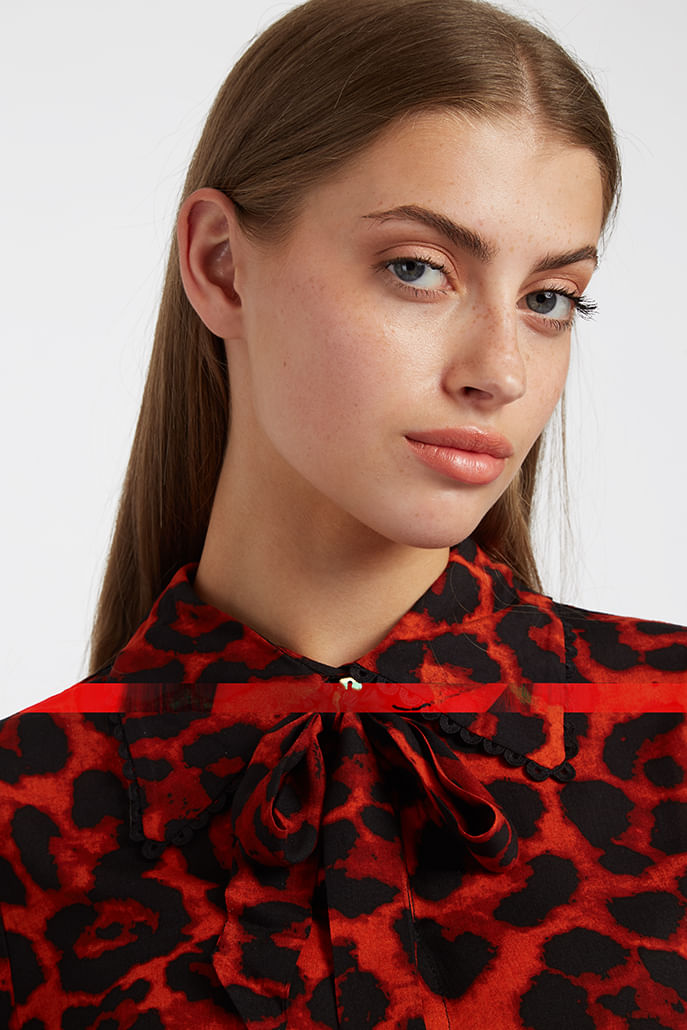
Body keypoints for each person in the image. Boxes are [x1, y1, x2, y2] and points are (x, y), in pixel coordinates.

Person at [1, 0, 686, 1026]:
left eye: (548, 298)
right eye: (418, 269)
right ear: (221, 265)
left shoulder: (668, 730)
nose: (500, 371)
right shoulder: (22, 823)